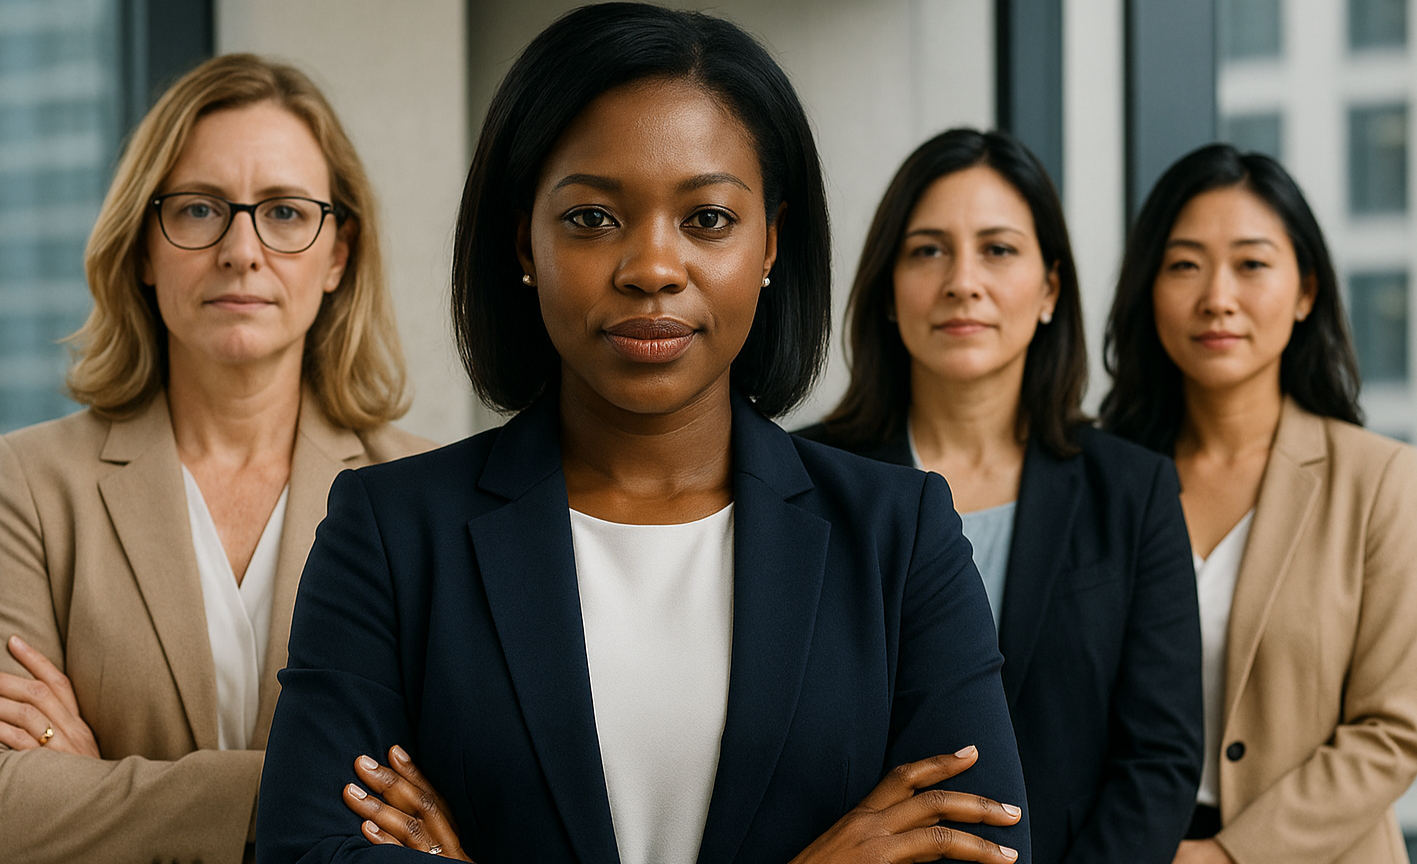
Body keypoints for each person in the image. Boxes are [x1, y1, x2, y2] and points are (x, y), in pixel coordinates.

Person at [256, 6, 1030, 864]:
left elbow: (979, 848)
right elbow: (309, 851)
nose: (652, 267)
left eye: (707, 219)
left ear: (772, 243)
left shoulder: (899, 533)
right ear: (525, 241)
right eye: (592, 218)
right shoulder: (391, 531)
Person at [0, 53, 432, 863]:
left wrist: (97, 785)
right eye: (200, 210)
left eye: (283, 213)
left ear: (337, 254)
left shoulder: (421, 492)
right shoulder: (31, 482)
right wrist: (306, 786)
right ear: (142, 248)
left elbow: (472, 794)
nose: (242, 250)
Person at [799, 128, 1203, 863]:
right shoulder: (805, 479)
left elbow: (1160, 759)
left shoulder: (1132, 490)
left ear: (1050, 288)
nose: (962, 280)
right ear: (888, 287)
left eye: (998, 249)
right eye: (927, 250)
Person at [1101, 143, 1417, 864]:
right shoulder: (1097, 477)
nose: (1218, 296)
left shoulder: (1380, 482)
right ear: (1149, 288)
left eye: (1251, 264)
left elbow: (1395, 728)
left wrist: (1227, 857)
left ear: (1306, 290)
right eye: (1184, 264)